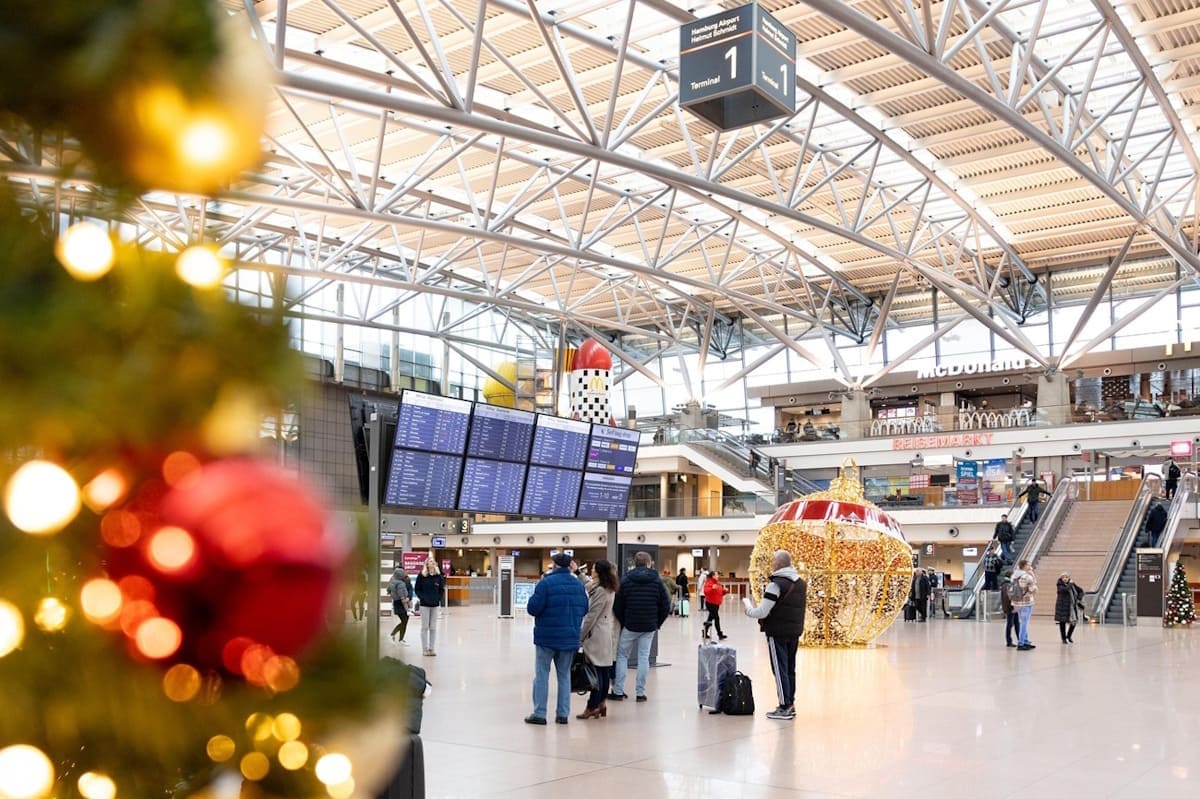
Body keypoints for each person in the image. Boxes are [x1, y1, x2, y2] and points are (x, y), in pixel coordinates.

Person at [524, 553, 588, 725]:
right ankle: (562, 714)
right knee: (564, 676)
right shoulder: (578, 585)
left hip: (546, 638)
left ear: (554, 565)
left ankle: (540, 713)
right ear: (569, 566)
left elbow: (532, 608)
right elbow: (584, 609)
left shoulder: (545, 584)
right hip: (569, 639)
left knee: (542, 675)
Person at [743, 550, 807, 720]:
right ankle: (790, 702)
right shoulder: (801, 583)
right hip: (794, 631)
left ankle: (784, 706)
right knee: (790, 668)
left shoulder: (776, 584)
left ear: (778, 563)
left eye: (773, 561)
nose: (772, 563)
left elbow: (762, 612)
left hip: (777, 631)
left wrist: (748, 609)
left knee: (779, 669)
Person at [609, 552, 671, 703]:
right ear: (649, 563)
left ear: (634, 563)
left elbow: (617, 604)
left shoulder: (626, 580)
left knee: (622, 656)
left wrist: (624, 621)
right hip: (649, 625)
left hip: (630, 625)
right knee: (644, 657)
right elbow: (666, 604)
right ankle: (640, 693)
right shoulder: (657, 580)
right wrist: (657, 623)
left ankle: (618, 691)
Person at [576, 559, 618, 720]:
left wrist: (581, 636)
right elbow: (589, 585)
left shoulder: (600, 591)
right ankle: (601, 703)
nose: (591, 572)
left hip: (597, 634)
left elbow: (592, 616)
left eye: (593, 569)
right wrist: (579, 574)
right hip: (605, 632)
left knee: (596, 672)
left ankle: (592, 706)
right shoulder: (608, 588)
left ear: (599, 572)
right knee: (603, 670)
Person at [414, 557, 445, 657]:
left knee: (433, 627)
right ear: (426, 564)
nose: (431, 563)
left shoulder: (439, 576)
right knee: (424, 627)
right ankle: (425, 649)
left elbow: (441, 589)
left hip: (435, 605)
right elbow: (417, 589)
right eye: (429, 562)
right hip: (424, 605)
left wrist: (438, 599)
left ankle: (432, 648)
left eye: (433, 561)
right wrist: (422, 597)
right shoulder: (422, 576)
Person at [1010, 559, 1038, 651]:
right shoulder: (1027, 576)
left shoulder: (1014, 576)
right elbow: (1033, 589)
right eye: (1029, 565)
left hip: (1017, 602)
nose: (1030, 566)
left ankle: (1025, 641)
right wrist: (1032, 575)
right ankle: (1021, 643)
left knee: (1022, 621)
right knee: (1025, 623)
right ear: (1025, 566)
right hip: (1026, 602)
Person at [1054, 572, 1085, 644]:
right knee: (1062, 623)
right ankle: (1063, 638)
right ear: (1061, 578)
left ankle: (1069, 636)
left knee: (1074, 621)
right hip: (1062, 606)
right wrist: (1070, 584)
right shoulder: (1059, 585)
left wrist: (1079, 598)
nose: (1065, 579)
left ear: (1069, 578)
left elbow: (1081, 591)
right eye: (1063, 577)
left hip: (1071, 606)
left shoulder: (1072, 585)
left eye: (1066, 577)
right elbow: (1065, 590)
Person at [387, 566, 412, 643]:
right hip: (400, 602)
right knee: (404, 621)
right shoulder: (395, 581)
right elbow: (390, 591)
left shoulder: (406, 580)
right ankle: (392, 634)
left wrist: (409, 597)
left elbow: (410, 589)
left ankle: (401, 638)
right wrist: (403, 598)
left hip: (403, 601)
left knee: (405, 621)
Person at [702, 571, 728, 641]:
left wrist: (724, 591)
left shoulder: (717, 583)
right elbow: (706, 591)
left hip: (716, 603)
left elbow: (719, 593)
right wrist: (712, 588)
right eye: (716, 575)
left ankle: (704, 632)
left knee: (710, 618)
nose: (718, 576)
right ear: (713, 576)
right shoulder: (709, 582)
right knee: (716, 618)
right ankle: (720, 634)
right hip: (710, 603)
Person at [1000, 572, 1019, 648]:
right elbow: (1009, 597)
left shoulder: (1005, 585)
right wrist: (1013, 606)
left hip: (1010, 607)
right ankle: (1009, 641)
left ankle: (1020, 639)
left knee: (1016, 624)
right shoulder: (1008, 585)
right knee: (1010, 624)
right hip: (1011, 608)